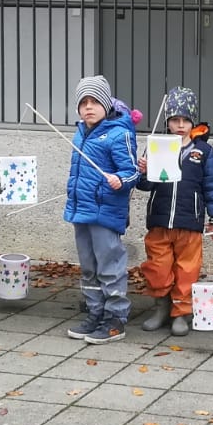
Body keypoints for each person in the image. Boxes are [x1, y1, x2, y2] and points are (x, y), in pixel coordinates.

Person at [136, 86, 213, 337]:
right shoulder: (157, 147)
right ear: (168, 122)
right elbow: (144, 185)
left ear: (193, 121)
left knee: (187, 269)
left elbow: (212, 186)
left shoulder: (203, 152)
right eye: (175, 120)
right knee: (158, 267)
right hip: (160, 220)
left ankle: (181, 312)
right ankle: (161, 308)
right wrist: (143, 171)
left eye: (186, 119)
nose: (180, 125)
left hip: (190, 222)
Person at [63, 75, 141, 344]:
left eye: (94, 101)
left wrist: (121, 179)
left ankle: (115, 318)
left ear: (106, 105)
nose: (88, 107)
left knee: (109, 266)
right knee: (88, 266)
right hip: (81, 209)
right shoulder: (80, 133)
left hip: (105, 211)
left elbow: (132, 172)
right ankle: (95, 311)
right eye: (83, 102)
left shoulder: (119, 133)